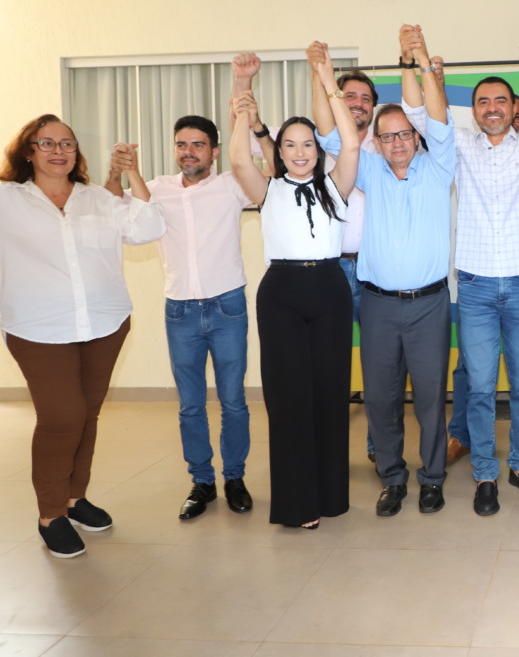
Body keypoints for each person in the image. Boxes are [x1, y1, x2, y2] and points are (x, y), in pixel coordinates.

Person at [402, 17, 519, 517]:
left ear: (513, 106)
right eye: (483, 102)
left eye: (500, 100)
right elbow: (418, 112)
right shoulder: (458, 144)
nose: (492, 108)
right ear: (475, 110)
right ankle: (485, 473)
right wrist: (417, 61)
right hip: (478, 287)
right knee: (480, 387)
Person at [1, 115, 164, 557]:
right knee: (62, 417)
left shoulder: (98, 198)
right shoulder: (8, 199)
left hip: (103, 323)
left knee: (87, 414)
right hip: (37, 327)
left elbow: (149, 228)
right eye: (47, 143)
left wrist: (131, 174)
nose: (59, 151)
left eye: (67, 143)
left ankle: (75, 498)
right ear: (28, 151)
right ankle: (51, 514)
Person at [317, 26, 456, 517]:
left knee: (431, 399)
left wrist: (418, 57)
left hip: (430, 305)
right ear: (375, 141)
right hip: (377, 305)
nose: (397, 141)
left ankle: (432, 478)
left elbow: (438, 118)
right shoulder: (369, 170)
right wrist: (324, 76)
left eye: (404, 133)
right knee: (380, 398)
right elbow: (332, 133)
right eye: (387, 135)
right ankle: (393, 478)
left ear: (416, 137)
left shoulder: (439, 168)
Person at [229, 44, 361, 529]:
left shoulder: (335, 185)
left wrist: (327, 80)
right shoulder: (268, 189)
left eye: (308, 144)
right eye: (290, 145)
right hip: (281, 293)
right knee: (288, 399)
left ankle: (329, 496)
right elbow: (238, 158)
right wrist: (242, 93)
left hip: (329, 288)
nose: (300, 152)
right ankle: (296, 504)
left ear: (317, 151)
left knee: (329, 395)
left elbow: (351, 145)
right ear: (280, 152)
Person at [104, 114, 255, 521]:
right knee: (190, 405)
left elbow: (270, 172)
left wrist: (247, 118)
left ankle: (235, 478)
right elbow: (112, 208)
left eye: (198, 145)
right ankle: (202, 482)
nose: (188, 152)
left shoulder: (232, 185)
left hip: (227, 305)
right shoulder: (155, 188)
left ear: (215, 152)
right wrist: (118, 171)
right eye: (181, 144)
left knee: (233, 401)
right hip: (180, 310)